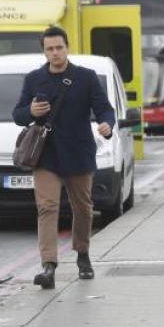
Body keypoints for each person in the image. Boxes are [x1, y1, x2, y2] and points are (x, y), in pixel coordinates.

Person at [12, 26, 115, 289]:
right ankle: (48, 266)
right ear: (44, 51)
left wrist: (107, 125)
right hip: (46, 155)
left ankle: (82, 253)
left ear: (67, 47)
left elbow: (104, 109)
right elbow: (17, 115)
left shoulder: (86, 77)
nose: (55, 53)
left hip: (79, 152)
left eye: (59, 47)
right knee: (47, 207)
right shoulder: (34, 79)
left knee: (83, 207)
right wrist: (31, 111)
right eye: (50, 49)